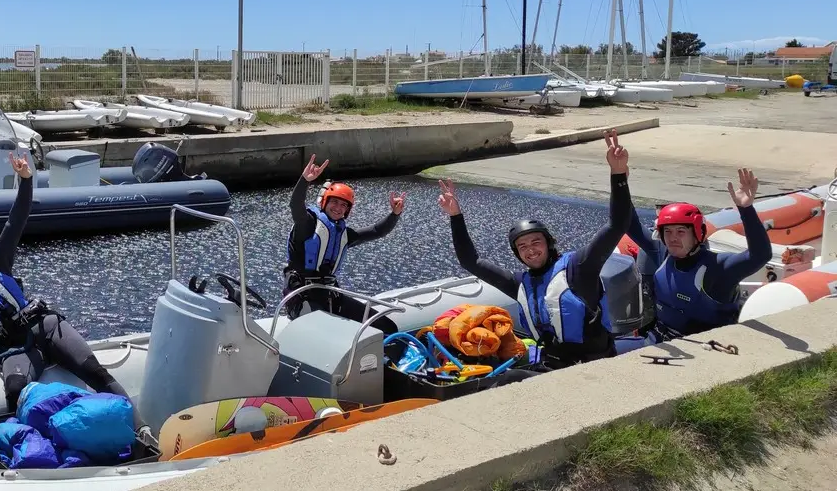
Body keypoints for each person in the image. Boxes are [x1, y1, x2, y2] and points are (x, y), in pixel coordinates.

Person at [0, 152, 152, 444]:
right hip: (14, 350)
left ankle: (141, 430)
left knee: (93, 371)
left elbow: (16, 221)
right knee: (15, 392)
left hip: (46, 327)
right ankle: (33, 451)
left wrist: (26, 179)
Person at [435, 130, 632, 369]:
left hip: (592, 366)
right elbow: (470, 261)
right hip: (552, 364)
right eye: (522, 247)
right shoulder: (520, 284)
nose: (530, 250)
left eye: (536, 242)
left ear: (549, 244)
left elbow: (616, 224)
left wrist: (618, 173)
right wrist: (456, 216)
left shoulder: (579, 268)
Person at [624, 168, 772, 343]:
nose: (673, 238)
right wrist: (620, 181)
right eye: (668, 232)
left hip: (700, 351)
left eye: (681, 232)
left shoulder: (717, 268)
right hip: (657, 340)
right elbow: (629, 223)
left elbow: (760, 255)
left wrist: (745, 208)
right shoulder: (662, 253)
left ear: (696, 234)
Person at [281, 154, 406, 335]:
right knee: (327, 333)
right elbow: (295, 205)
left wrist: (394, 214)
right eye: (334, 202)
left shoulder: (344, 234)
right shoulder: (307, 225)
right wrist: (305, 181)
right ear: (325, 202)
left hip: (329, 294)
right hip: (302, 298)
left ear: (348, 210)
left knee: (386, 327)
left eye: (344, 205)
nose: (338, 208)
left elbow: (378, 231)